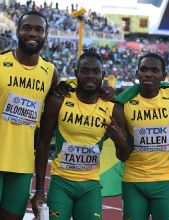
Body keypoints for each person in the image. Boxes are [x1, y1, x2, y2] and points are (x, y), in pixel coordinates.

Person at [31, 48, 129, 220]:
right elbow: (43, 143)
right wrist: (39, 189)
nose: (90, 75)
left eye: (95, 72)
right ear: (76, 73)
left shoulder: (113, 109)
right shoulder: (59, 100)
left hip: (90, 185)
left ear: (103, 74)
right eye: (85, 71)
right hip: (61, 182)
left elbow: (124, 156)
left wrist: (120, 140)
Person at [120, 52, 169, 220]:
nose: (148, 74)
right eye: (144, 69)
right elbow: (122, 154)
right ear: (137, 74)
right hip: (133, 181)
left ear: (163, 75)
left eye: (154, 70)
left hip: (164, 180)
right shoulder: (124, 103)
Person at [0, 10, 60, 220]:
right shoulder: (1, 63)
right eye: (27, 28)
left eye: (38, 29)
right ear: (17, 31)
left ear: (46, 35)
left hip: (22, 165)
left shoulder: (50, 73)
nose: (32, 33)